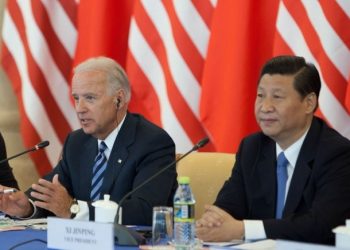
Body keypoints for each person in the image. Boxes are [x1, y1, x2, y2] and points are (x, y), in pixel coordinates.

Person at [0, 56, 177, 225]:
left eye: (90, 98)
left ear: (119, 99)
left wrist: (74, 209)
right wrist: (27, 207)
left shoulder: (153, 143)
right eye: (76, 98)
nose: (80, 109)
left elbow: (145, 212)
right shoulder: (77, 142)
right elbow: (51, 193)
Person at [196, 55, 350, 245]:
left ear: (309, 103)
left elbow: (322, 225)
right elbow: (228, 206)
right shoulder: (252, 148)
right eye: (260, 95)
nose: (265, 107)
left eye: (277, 97)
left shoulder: (336, 153)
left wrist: (244, 229)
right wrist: (213, 222)